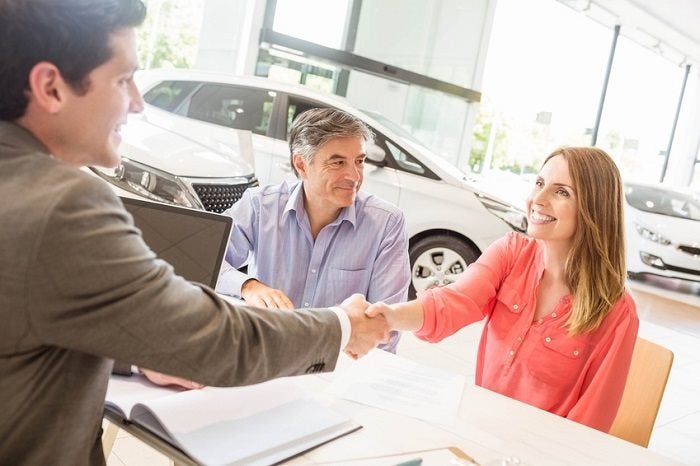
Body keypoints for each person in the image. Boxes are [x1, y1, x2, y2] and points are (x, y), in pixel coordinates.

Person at [0, 1, 389, 465]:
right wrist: (341, 326)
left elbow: (24, 323)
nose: (138, 102)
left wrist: (136, 354)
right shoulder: (64, 205)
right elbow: (215, 337)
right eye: (124, 80)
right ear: (50, 87)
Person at [367, 146, 639, 433]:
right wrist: (389, 316)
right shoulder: (511, 253)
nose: (538, 199)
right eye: (539, 183)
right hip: (480, 432)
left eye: (562, 192)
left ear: (595, 209)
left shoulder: (618, 311)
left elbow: (590, 424)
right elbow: (449, 303)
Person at [216, 107, 411, 352]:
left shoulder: (386, 224)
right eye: (338, 162)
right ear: (301, 165)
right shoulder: (260, 205)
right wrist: (248, 286)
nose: (354, 175)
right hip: (266, 350)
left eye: (359, 162)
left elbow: (386, 329)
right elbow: (205, 261)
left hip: (339, 362)